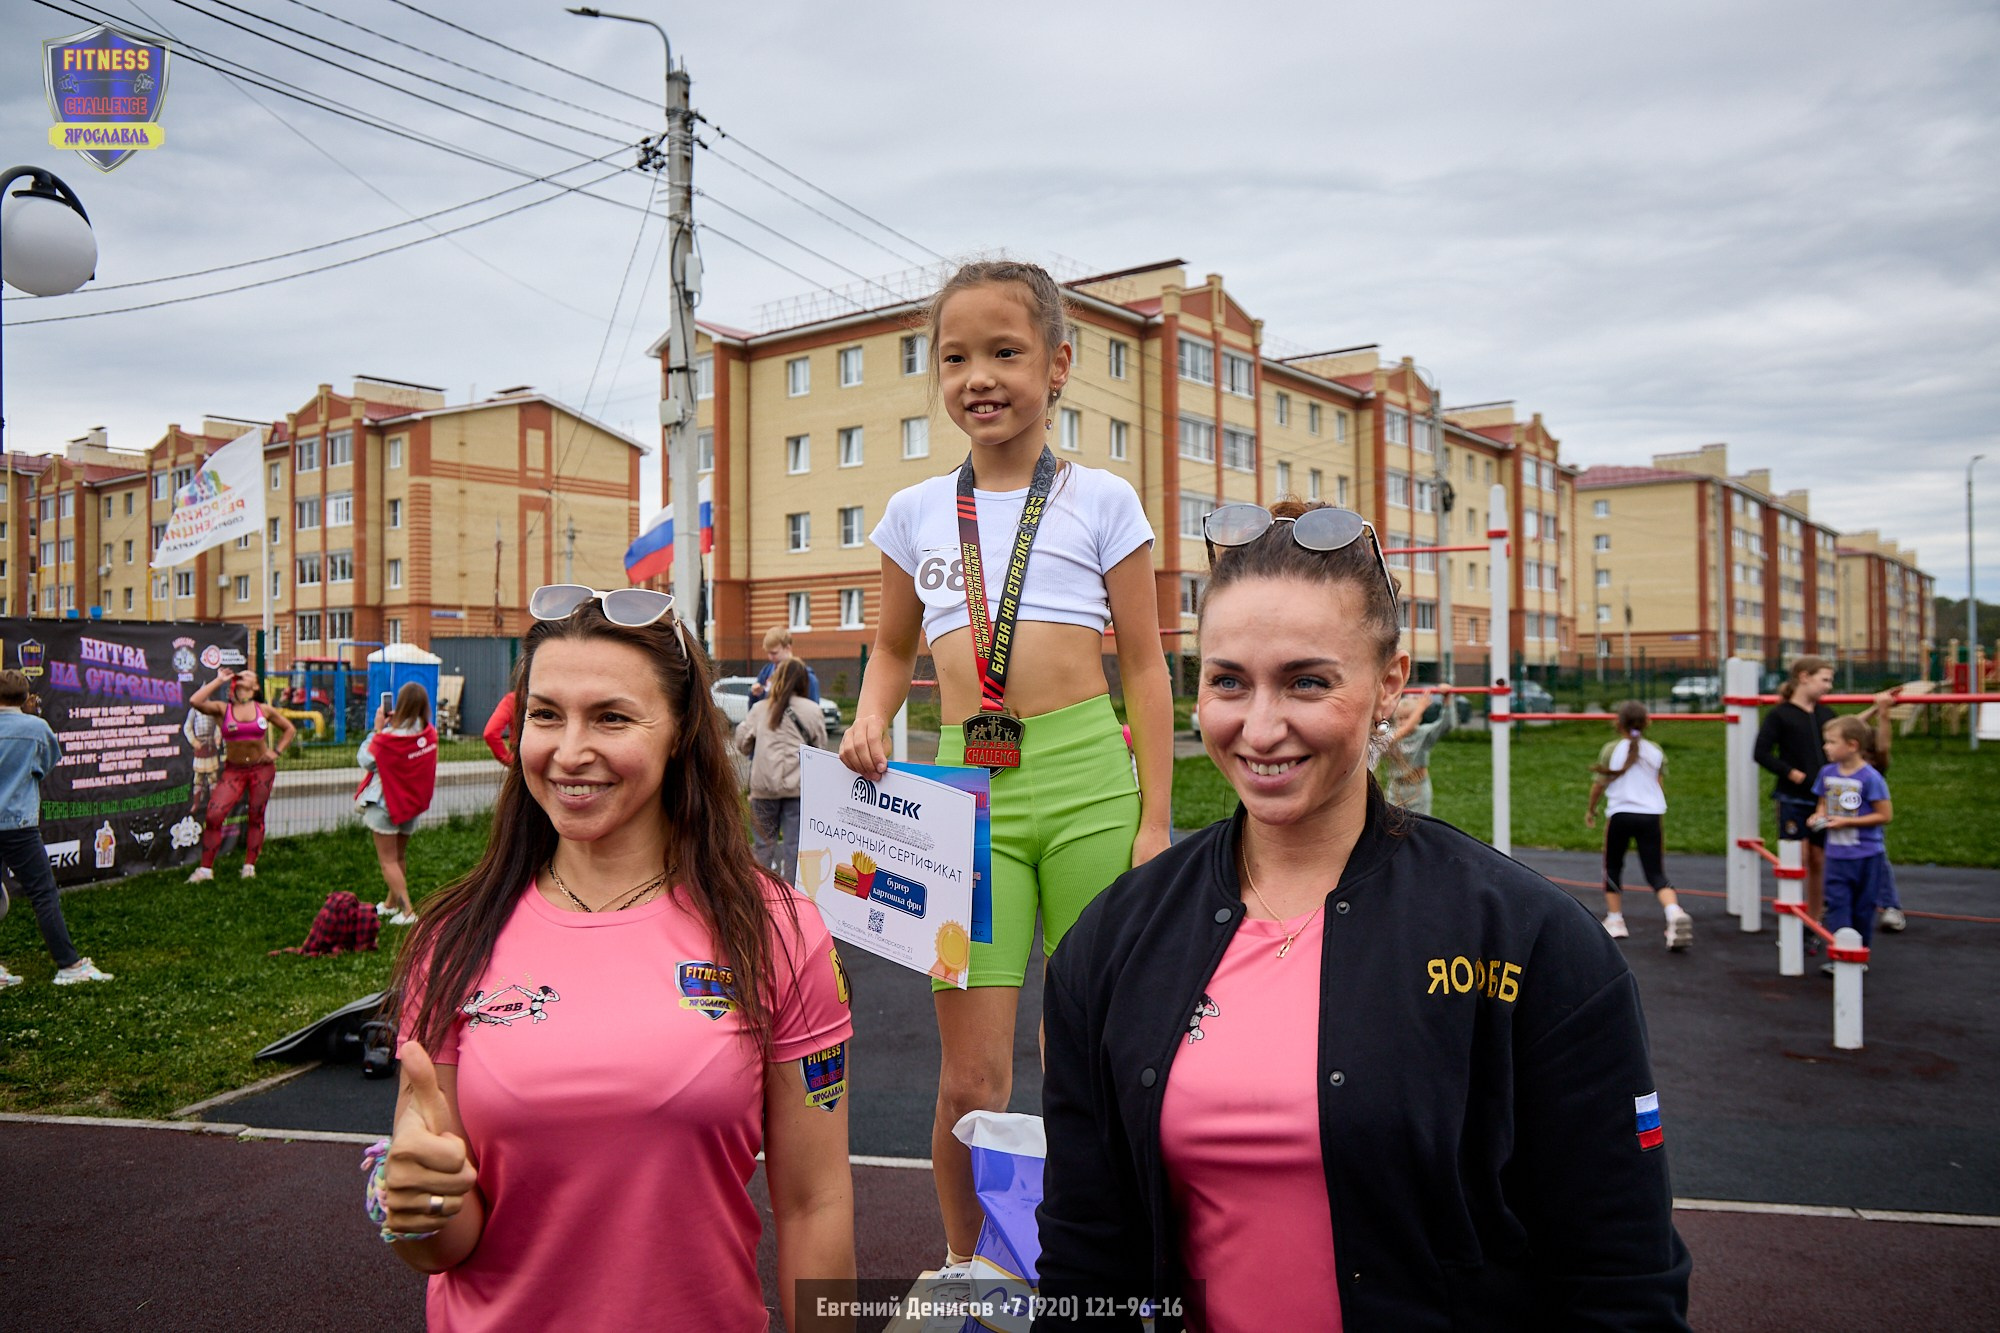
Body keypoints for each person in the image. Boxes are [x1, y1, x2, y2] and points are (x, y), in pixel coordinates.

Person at [1036, 500, 1691, 1330]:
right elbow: (1084, 1253)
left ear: (1390, 681)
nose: (1261, 726)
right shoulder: (1116, 937)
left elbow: (1623, 1281)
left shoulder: (1530, 940)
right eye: (1228, 680)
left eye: (1307, 681)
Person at [377, 584, 854, 1332]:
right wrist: (415, 1205)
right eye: (545, 715)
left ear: (680, 730)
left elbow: (814, 1201)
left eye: (611, 717)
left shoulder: (779, 930)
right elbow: (446, 1244)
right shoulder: (454, 939)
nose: (569, 752)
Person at [840, 259, 1175, 1268]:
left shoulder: (1102, 498)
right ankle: (964, 1261)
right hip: (958, 795)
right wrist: (867, 718)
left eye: (1003, 352)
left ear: (1057, 364)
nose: (977, 377)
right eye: (953, 357)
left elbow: (1149, 664)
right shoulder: (909, 514)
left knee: (1084, 1063)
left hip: (1085, 784)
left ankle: (1090, 1257)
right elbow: (891, 650)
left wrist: (1154, 819)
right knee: (968, 1079)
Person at [0, 671, 113, 988]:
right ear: (24, 698)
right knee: (43, 895)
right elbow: (45, 765)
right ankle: (69, 965)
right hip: (18, 824)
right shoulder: (36, 728)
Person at [1585, 701, 1693, 950]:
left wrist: (1591, 809)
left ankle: (1615, 919)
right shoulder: (1655, 751)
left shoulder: (1612, 749)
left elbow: (1599, 784)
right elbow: (1658, 784)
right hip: (1651, 815)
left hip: (1621, 814)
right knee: (1655, 871)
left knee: (1613, 865)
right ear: (1647, 722)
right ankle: (1674, 912)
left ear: (1617, 724)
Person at [1753, 655, 1836, 942]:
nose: (1829, 686)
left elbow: (1846, 741)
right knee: (1796, 857)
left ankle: (1814, 918)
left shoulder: (1827, 716)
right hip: (1794, 796)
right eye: (1824, 679)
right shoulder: (1781, 714)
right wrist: (1792, 773)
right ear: (1804, 677)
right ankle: (1792, 917)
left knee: (1819, 858)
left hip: (1823, 798)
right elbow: (1761, 752)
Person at [186, 668, 297, 882]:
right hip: (234, 771)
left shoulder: (264, 709)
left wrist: (276, 752)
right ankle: (205, 869)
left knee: (256, 816)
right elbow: (195, 701)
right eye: (241, 674)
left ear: (255, 686)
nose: (242, 676)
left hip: (261, 770)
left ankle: (249, 866)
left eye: (248, 675)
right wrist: (219, 680)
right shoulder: (222, 709)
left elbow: (289, 729)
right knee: (214, 815)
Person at [1811, 714, 1894, 975]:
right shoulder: (1827, 773)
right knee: (1837, 903)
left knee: (1863, 906)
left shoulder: (1870, 778)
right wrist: (1818, 816)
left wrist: (1849, 822)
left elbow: (1885, 815)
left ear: (1852, 745)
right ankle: (1839, 954)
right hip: (1836, 854)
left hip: (1867, 854)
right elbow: (1822, 804)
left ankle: (1860, 954)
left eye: (1832, 742)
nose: (1826, 747)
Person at [734, 657, 827, 885]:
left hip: (764, 788)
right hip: (798, 789)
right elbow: (821, 750)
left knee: (764, 845)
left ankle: (762, 895)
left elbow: (742, 743)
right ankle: (792, 897)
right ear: (803, 681)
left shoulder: (760, 709)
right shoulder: (813, 710)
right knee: (794, 846)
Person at [358, 683, 439, 927]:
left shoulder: (388, 738)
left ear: (400, 704)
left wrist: (376, 730)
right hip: (410, 805)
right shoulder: (428, 734)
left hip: (385, 805)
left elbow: (366, 760)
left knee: (388, 861)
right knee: (399, 856)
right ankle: (391, 903)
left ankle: (407, 911)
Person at [1854, 689, 1908, 931]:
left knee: (1877, 863)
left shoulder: (1873, 771)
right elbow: (1846, 728)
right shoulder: (1838, 762)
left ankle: (1890, 906)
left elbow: (1883, 747)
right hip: (1838, 823)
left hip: (1866, 825)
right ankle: (1831, 903)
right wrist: (1876, 708)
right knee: (1834, 864)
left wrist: (1883, 713)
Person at [1379, 685, 1452, 813]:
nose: (1403, 722)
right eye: (1400, 718)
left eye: (1407, 717)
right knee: (1393, 824)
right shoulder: (1391, 736)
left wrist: (1446, 699)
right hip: (1396, 787)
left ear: (1419, 718)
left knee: (1419, 825)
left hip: (1418, 788)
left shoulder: (1423, 733)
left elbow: (1445, 725)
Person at [748, 625, 821, 704]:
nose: (770, 657)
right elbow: (756, 706)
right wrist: (755, 694)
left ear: (788, 648)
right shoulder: (766, 672)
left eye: (774, 653)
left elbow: (812, 708)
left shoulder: (806, 676)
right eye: (768, 653)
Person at [182, 705, 220, 816]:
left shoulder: (212, 709)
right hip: (200, 747)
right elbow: (187, 727)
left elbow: (218, 725)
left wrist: (217, 738)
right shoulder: (193, 711)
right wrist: (194, 741)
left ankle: (214, 803)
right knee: (198, 778)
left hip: (210, 745)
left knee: (213, 777)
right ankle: (196, 803)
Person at [480, 688, 517, 767]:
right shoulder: (546, 699)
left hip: (519, 757)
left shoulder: (513, 700)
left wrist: (509, 760)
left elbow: (490, 733)